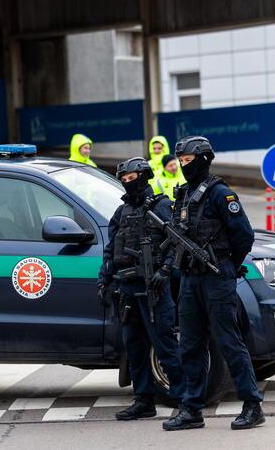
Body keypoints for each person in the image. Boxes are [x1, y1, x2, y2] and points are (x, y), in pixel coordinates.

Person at [162, 136, 264, 432]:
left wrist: (227, 264)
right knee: (190, 344)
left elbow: (243, 235)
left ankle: (252, 405)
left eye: (188, 161)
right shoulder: (183, 195)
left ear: (204, 160)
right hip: (191, 279)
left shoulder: (221, 194)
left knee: (228, 341)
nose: (183, 166)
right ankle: (191, 408)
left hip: (216, 276)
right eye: (180, 162)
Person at [97, 157, 184, 421]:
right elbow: (111, 249)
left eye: (131, 178)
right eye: (123, 179)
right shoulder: (121, 212)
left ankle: (184, 400)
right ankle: (143, 400)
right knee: (134, 347)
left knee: (164, 345)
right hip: (127, 288)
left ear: (143, 177)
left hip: (154, 288)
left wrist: (165, 271)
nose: (127, 183)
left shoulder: (161, 206)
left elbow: (178, 242)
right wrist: (104, 279)